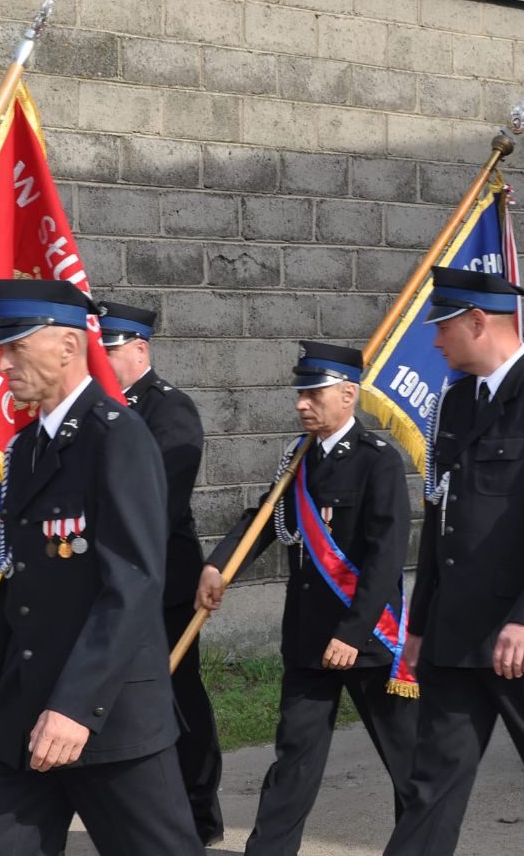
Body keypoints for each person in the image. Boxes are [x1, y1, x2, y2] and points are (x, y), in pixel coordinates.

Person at [0, 280, 203, 855]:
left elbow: (132, 583)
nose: (2, 362)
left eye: (17, 346)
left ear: (69, 346)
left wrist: (75, 708)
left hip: (108, 716)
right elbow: (14, 587)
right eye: (1, 347)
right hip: (23, 712)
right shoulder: (24, 449)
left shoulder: (118, 438)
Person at [384, 267, 524, 856]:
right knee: (431, 784)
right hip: (458, 633)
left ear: (478, 322)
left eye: (443, 329)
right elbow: (443, 519)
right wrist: (419, 624)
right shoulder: (458, 402)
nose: (436, 343)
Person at [198, 340, 416, 856]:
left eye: (313, 392)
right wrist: (220, 565)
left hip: (366, 639)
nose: (301, 402)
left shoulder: (378, 461)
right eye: (300, 391)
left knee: (408, 761)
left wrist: (352, 633)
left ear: (347, 394)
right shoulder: (298, 456)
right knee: (294, 756)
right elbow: (263, 520)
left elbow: (387, 559)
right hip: (309, 638)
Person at [97, 298, 223, 845]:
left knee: (178, 694)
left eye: (110, 350)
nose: (100, 361)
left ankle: (200, 811)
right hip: (107, 579)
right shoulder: (99, 408)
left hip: (162, 580)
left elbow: (161, 503)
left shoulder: (169, 409)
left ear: (140, 349)